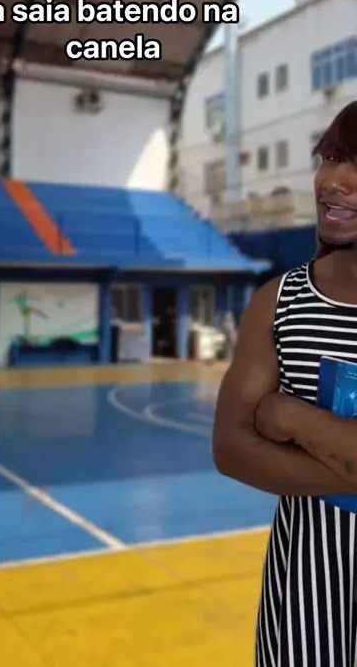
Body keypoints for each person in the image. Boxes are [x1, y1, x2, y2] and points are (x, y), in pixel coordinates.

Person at [213, 100, 357, 667]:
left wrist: (294, 418)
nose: (333, 180)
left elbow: (264, 431)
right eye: (330, 159)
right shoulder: (280, 302)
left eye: (356, 163)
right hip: (306, 608)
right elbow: (231, 448)